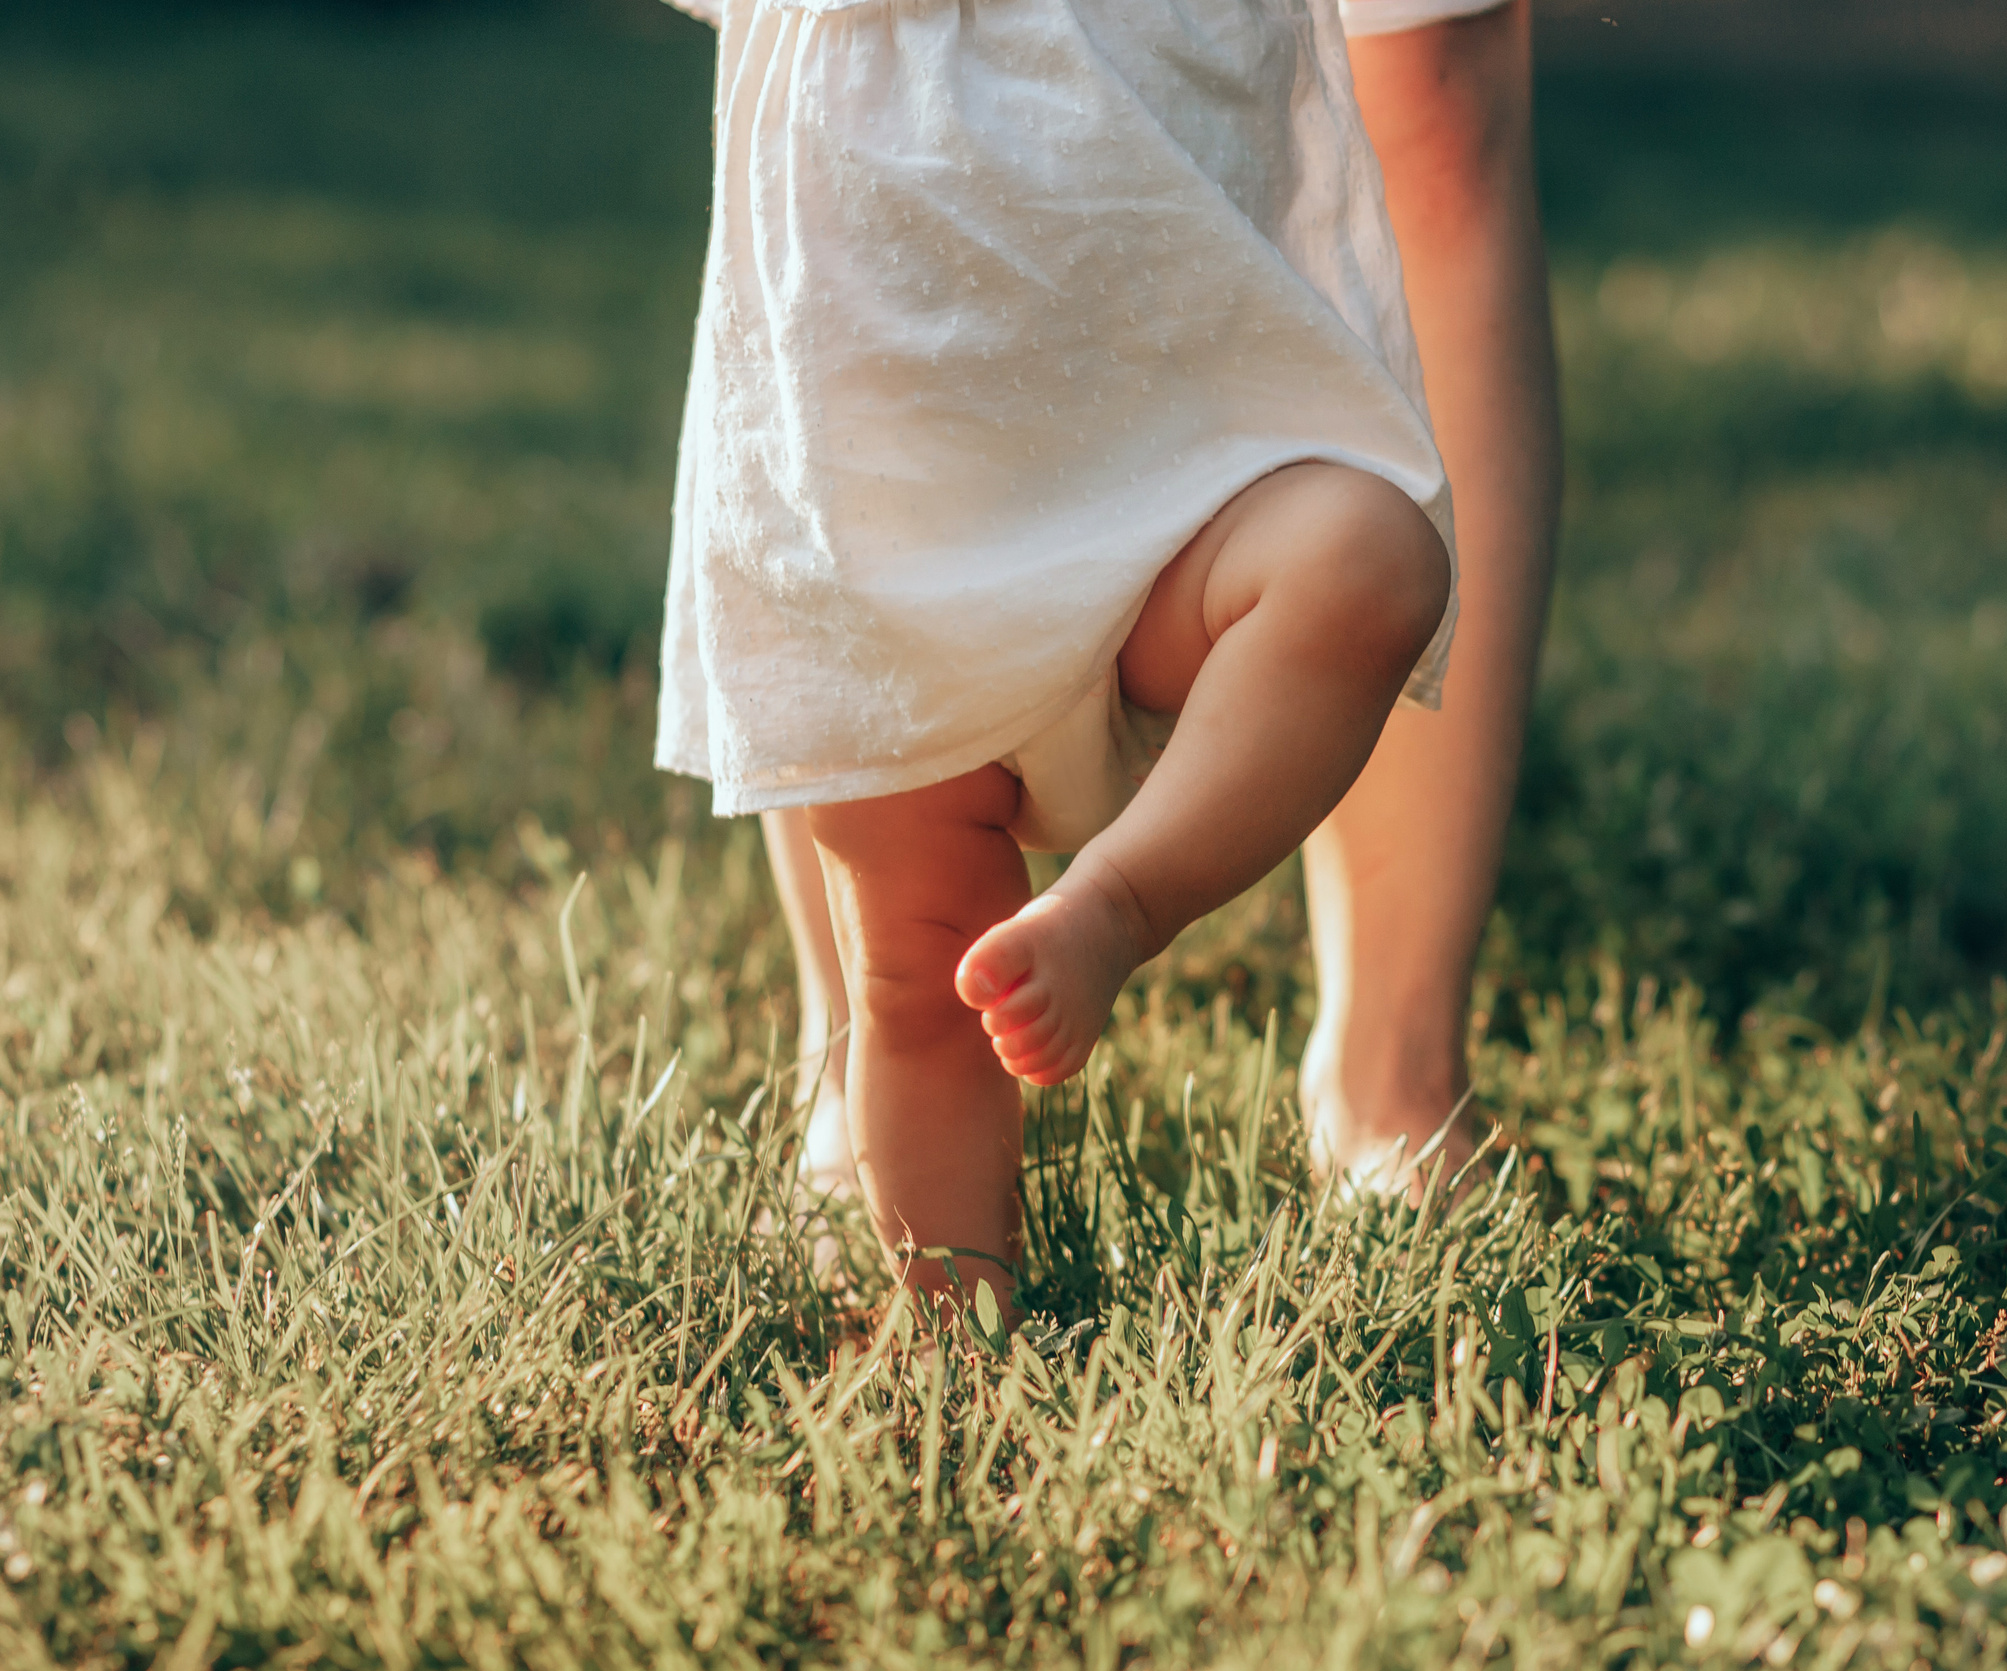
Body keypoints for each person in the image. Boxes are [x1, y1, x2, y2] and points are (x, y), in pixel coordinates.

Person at [658, 0, 1537, 1311]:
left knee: (1373, 558)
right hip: (904, 594)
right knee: (923, 983)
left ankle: (1126, 909)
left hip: (1178, 538)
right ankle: (949, 1338)